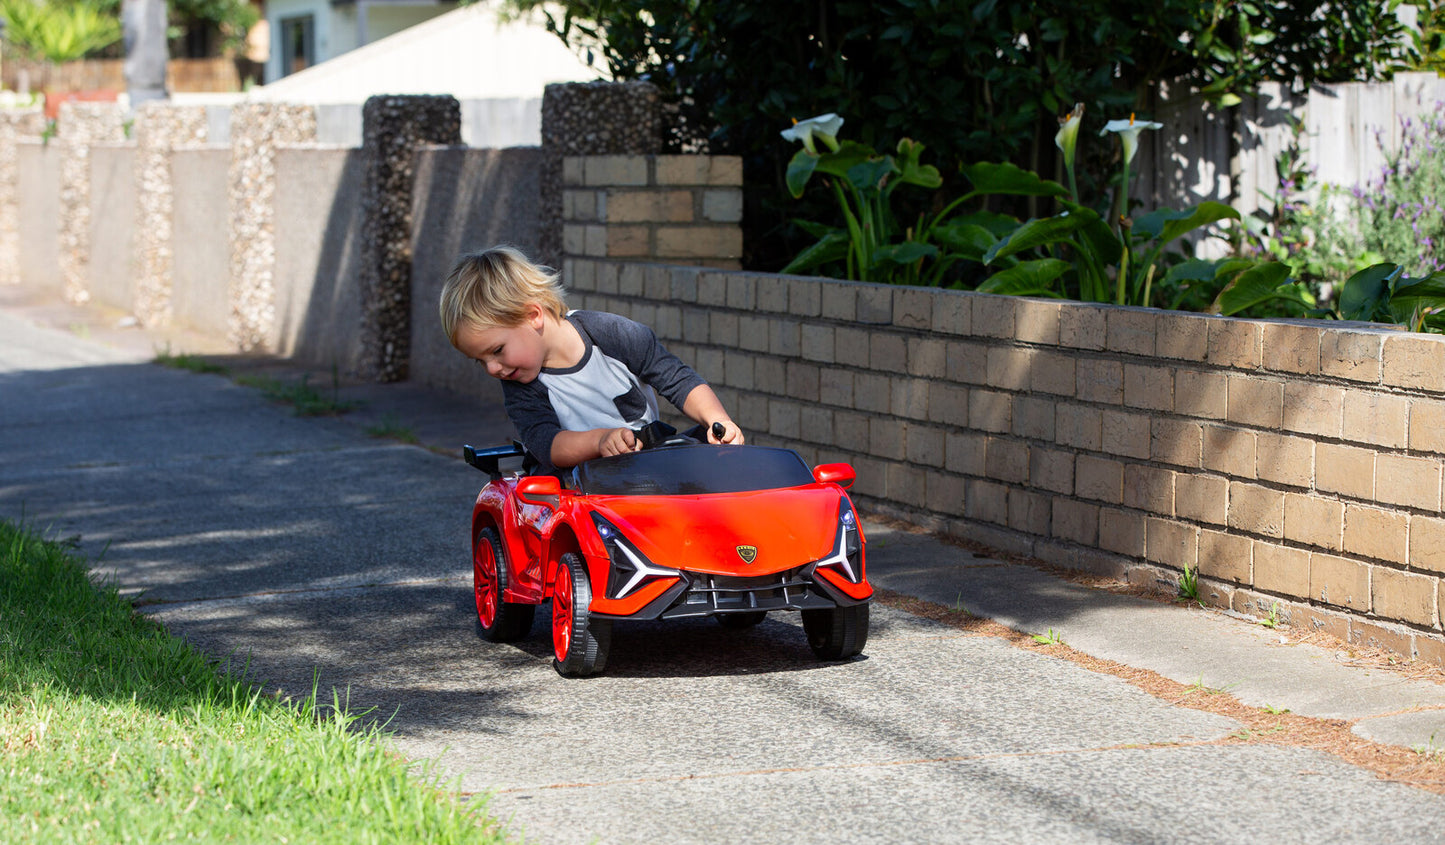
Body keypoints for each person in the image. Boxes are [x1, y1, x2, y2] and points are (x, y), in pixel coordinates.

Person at [439, 246, 745, 470]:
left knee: (705, 451)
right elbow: (546, 443)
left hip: (644, 460)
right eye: (479, 361)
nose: (493, 368)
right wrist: (599, 441)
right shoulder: (522, 385)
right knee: (549, 477)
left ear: (533, 315)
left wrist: (717, 420)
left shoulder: (611, 334)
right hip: (577, 478)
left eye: (496, 351)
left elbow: (677, 379)